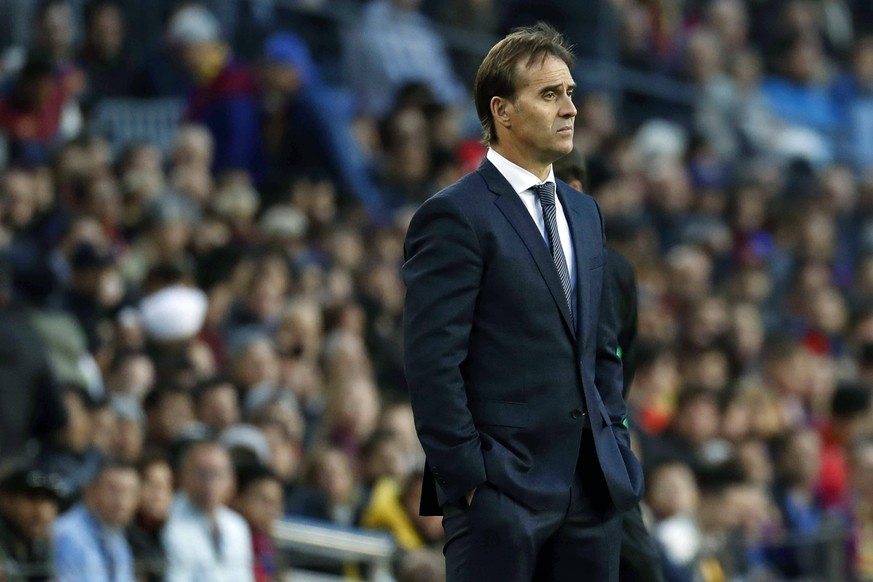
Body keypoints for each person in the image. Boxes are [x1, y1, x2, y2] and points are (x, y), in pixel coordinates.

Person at [402, 23, 643, 581]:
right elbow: (432, 363)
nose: (571, 109)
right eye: (550, 94)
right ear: (502, 111)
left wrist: (616, 442)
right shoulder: (455, 215)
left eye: (571, 93)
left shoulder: (586, 214)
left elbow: (601, 348)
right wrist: (468, 480)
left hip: (592, 494)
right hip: (500, 497)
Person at [553, 148, 664, 582]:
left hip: (596, 446)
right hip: (529, 447)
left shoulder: (612, 269)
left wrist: (610, 423)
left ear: (576, 189)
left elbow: (622, 358)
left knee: (638, 566)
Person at [162, 440, 253, 582]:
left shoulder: (237, 526)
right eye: (202, 474)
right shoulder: (167, 518)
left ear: (231, 480)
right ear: (183, 475)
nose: (209, 483)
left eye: (217, 474)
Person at [51, 459, 141, 582]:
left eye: (130, 492)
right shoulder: (68, 534)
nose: (122, 501)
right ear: (91, 491)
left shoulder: (116, 535)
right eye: (113, 490)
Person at [0, 465, 65, 582]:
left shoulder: (41, 543)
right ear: (6, 500)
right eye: (31, 499)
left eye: (48, 501)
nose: (41, 511)